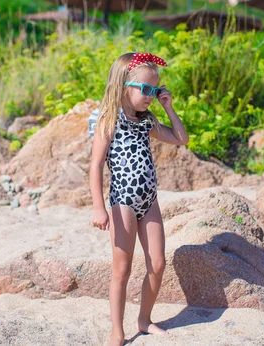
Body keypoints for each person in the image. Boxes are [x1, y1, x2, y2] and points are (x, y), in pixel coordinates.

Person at [88, 52, 189, 345]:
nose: (150, 96)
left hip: (149, 200)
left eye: (154, 90)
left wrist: (167, 107)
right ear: (123, 87)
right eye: (145, 89)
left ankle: (144, 320)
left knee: (157, 264)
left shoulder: (146, 121)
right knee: (122, 269)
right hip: (123, 202)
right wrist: (98, 207)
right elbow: (95, 165)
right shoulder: (109, 120)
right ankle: (117, 331)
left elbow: (180, 138)